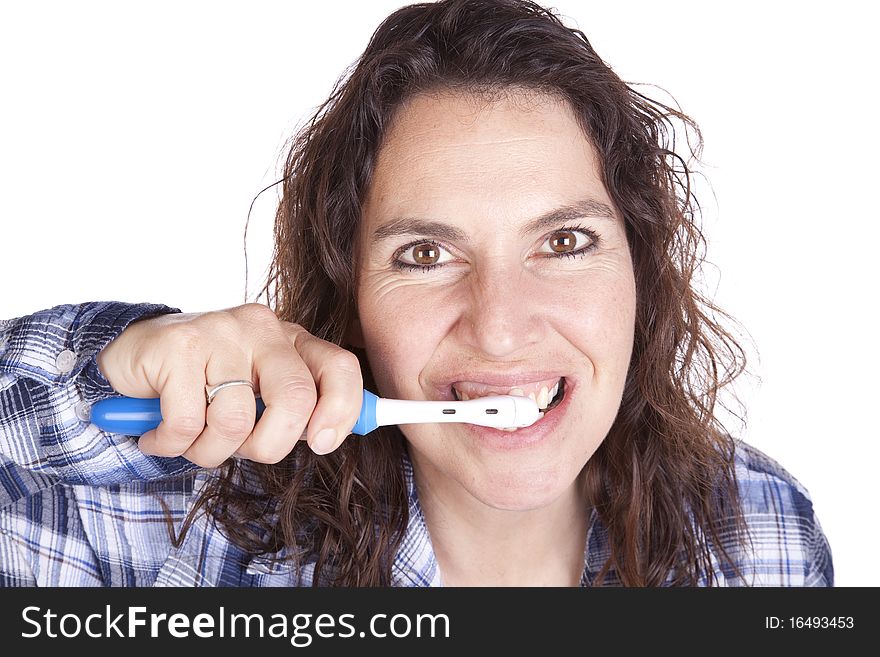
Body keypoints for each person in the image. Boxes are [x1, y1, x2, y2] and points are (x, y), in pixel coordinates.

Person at [0, 0, 831, 587]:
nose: (500, 329)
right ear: (349, 295)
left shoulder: (762, 538)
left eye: (565, 241)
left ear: (642, 269)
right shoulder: (164, 538)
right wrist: (105, 369)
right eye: (426, 253)